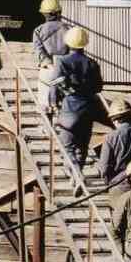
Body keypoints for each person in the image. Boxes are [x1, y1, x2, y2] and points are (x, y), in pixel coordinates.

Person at [49, 26, 106, 176]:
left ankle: (77, 175)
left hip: (70, 110)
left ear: (68, 43)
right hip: (88, 109)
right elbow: (99, 87)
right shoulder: (93, 63)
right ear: (84, 43)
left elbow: (54, 84)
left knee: (67, 147)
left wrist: (53, 103)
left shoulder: (62, 62)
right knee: (83, 147)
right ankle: (77, 175)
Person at [33, 0, 68, 110]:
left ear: (44, 14)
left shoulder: (38, 30)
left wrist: (49, 64)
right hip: (64, 68)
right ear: (59, 12)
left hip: (47, 69)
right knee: (63, 102)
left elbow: (39, 50)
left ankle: (46, 127)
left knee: (45, 102)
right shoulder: (68, 29)